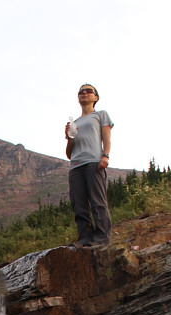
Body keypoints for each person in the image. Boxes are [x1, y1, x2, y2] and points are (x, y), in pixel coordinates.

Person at [65, 84, 113, 246]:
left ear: (96, 97)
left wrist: (105, 155)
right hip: (75, 165)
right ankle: (84, 238)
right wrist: (69, 138)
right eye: (81, 92)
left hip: (93, 161)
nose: (84, 93)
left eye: (88, 91)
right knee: (79, 204)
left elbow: (106, 137)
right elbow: (69, 153)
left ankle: (101, 238)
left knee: (98, 201)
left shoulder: (100, 115)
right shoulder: (75, 122)